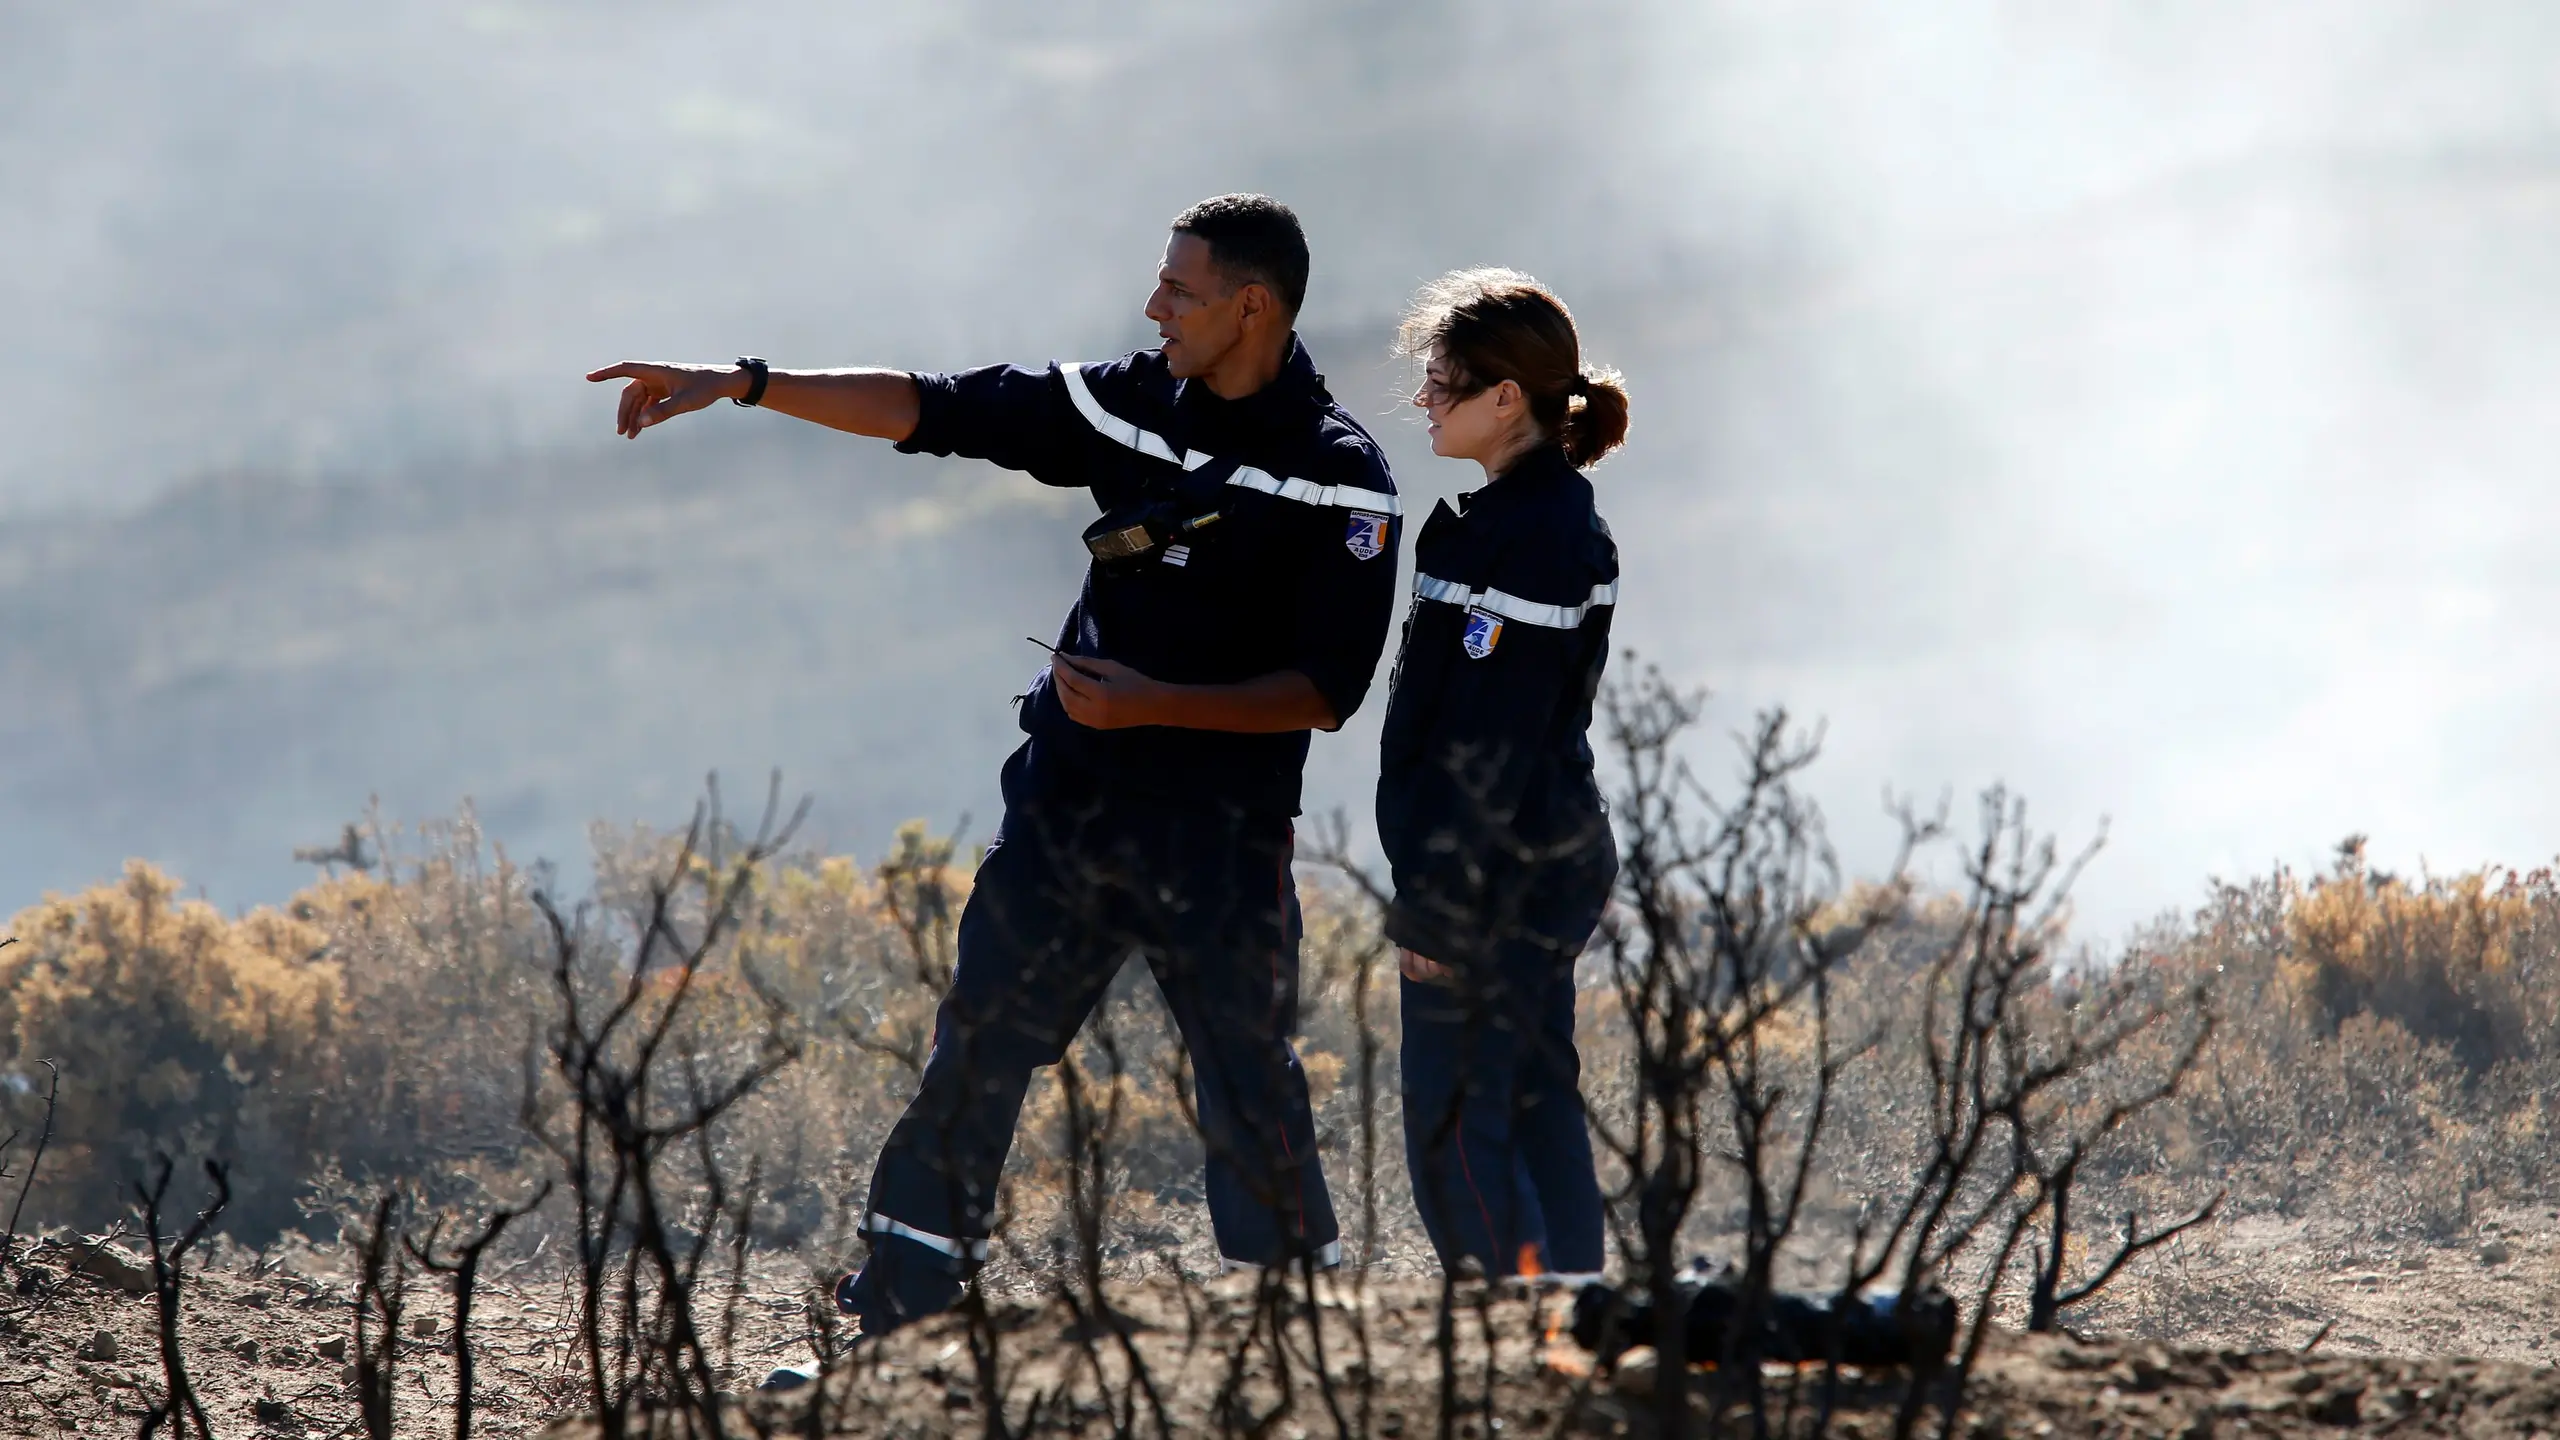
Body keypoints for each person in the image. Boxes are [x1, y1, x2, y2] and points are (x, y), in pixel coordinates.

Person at [588, 195, 1400, 1358]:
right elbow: (936, 408)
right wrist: (744, 380)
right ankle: (896, 1322)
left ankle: (1301, 1336)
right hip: (1066, 808)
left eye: (1178, 289)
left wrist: (1154, 704)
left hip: (1219, 838)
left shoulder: (1341, 480)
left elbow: (1326, 690)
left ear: (1250, 305)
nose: (1152, 306)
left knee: (1243, 1073)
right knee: (978, 1044)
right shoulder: (1126, 403)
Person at [1376, 269, 1627, 1285]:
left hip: (1494, 875)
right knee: (1530, 1098)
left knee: (1452, 1122)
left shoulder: (1537, 539)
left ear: (1504, 397)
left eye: (1440, 382)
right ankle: (1575, 1322)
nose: (1424, 401)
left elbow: (1493, 742)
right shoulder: (1516, 519)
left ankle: (1513, 1334)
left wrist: (1439, 907)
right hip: (1536, 859)